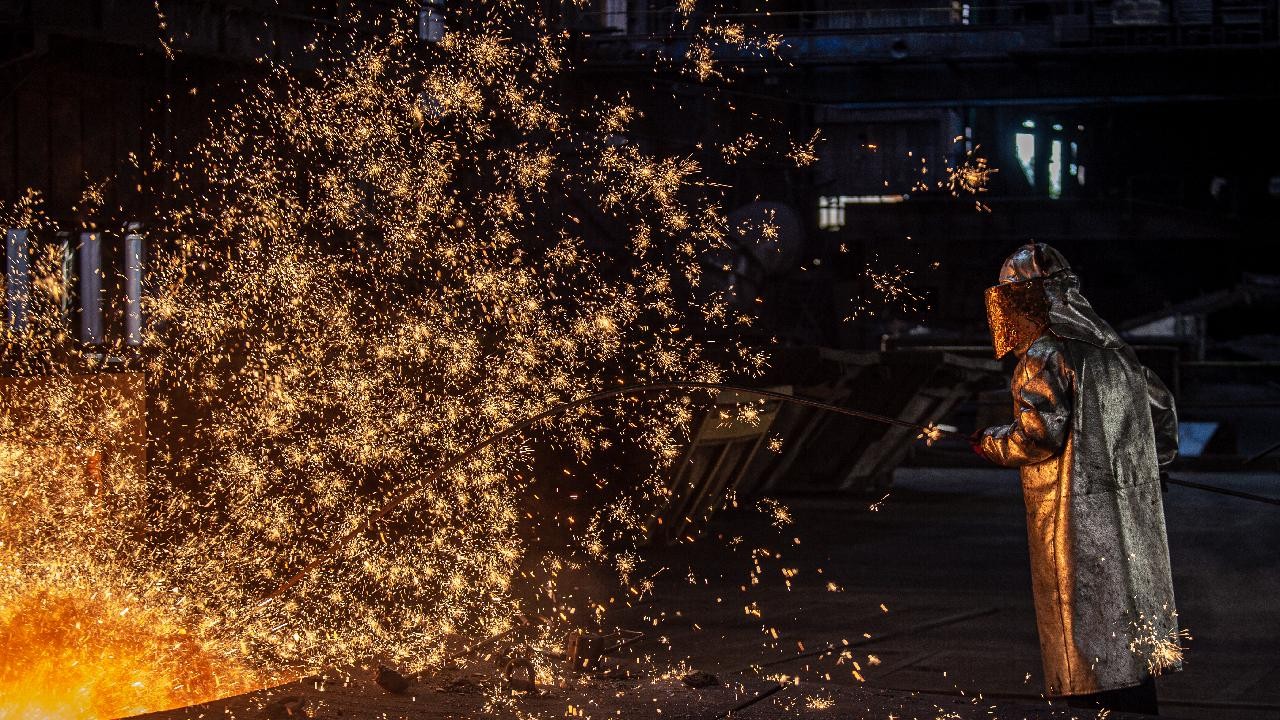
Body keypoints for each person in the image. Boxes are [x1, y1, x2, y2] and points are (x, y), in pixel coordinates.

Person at [971, 243, 1181, 715]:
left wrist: (991, 442)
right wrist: (1153, 468)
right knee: (1130, 629)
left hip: (1073, 517)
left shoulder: (1045, 354)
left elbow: (1038, 437)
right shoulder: (1114, 351)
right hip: (1129, 512)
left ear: (1028, 300)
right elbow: (1162, 412)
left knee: (1085, 636)